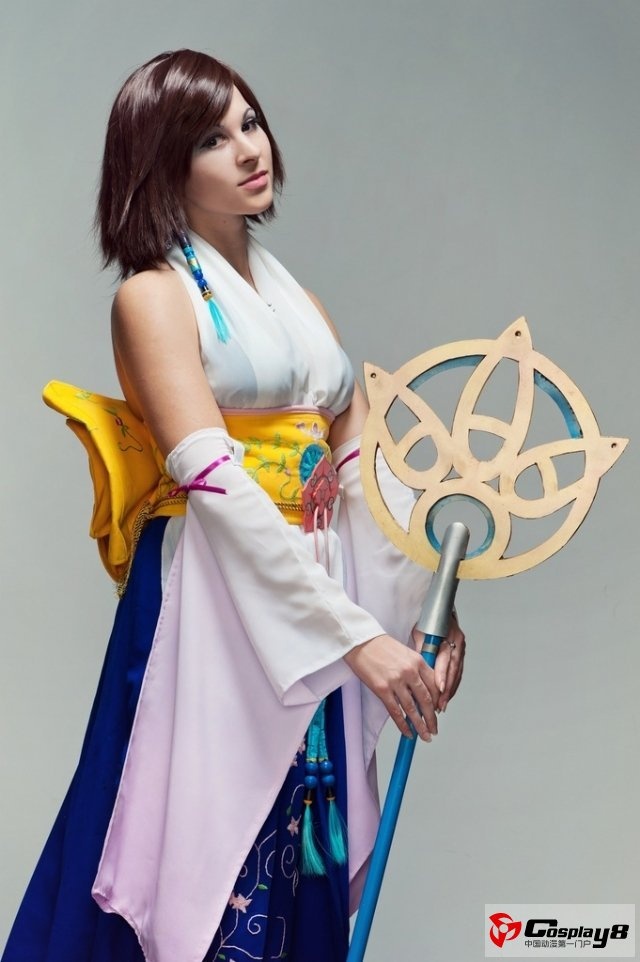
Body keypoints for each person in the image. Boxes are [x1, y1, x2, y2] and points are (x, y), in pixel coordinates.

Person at [2, 49, 465, 962]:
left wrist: (428, 617)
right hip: (212, 593)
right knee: (195, 840)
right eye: (211, 139)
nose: (249, 149)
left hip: (315, 594)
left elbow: (363, 475)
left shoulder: (304, 304)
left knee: (302, 831)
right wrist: (352, 638)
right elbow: (213, 482)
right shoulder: (151, 298)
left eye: (250, 122)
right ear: (160, 164)